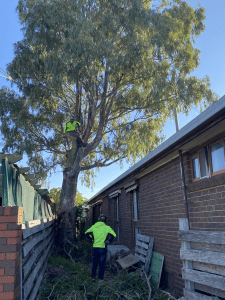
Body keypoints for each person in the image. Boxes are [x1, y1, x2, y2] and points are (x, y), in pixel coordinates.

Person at [85, 214, 116, 282]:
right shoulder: (107, 227)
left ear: (99, 219)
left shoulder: (94, 226)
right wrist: (108, 240)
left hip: (95, 247)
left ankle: (93, 277)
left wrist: (91, 239)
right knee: (102, 263)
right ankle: (101, 278)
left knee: (94, 263)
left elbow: (87, 233)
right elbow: (114, 235)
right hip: (103, 247)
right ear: (106, 220)